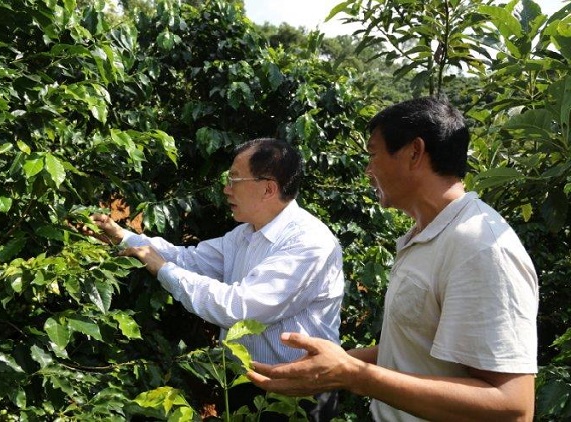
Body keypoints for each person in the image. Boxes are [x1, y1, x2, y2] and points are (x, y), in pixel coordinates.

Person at [247, 97, 539, 421]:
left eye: (373, 154)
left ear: (414, 152)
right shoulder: (428, 235)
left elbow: (513, 407)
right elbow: (415, 350)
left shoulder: (480, 248)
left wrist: (354, 375)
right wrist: (335, 366)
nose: (368, 170)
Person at [86, 138, 345, 421]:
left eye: (234, 179)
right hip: (245, 383)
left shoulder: (309, 242)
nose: (226, 189)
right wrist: (121, 236)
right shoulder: (245, 234)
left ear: (268, 188)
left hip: (298, 394)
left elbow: (239, 310)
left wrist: (162, 269)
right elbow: (190, 260)